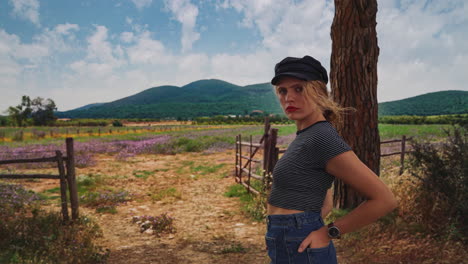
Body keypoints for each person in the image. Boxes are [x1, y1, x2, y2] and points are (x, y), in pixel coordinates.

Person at [265, 55, 397, 264]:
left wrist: (328, 232)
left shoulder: (322, 137)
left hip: (300, 243)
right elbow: (325, 201)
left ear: (318, 92)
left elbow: (385, 200)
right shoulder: (306, 137)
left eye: (298, 88)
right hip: (288, 239)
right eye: (283, 91)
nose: (288, 98)